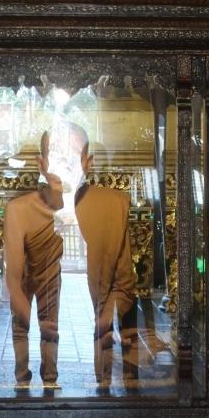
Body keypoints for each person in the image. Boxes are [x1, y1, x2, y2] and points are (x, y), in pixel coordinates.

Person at [73, 136, 137, 388]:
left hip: (112, 291)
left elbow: (122, 279)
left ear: (88, 162)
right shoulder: (27, 207)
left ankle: (108, 378)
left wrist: (105, 309)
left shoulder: (109, 201)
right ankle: (109, 377)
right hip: (113, 284)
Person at [2, 133, 64, 389]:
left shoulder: (67, 203)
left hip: (46, 272)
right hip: (29, 271)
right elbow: (14, 269)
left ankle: (45, 377)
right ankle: (26, 376)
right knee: (26, 324)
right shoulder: (22, 207)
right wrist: (16, 290)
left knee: (46, 325)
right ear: (41, 163)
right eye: (55, 155)